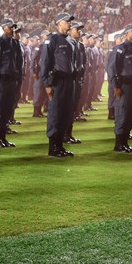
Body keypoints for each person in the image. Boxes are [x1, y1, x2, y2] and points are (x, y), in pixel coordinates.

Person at [41, 12, 77, 158]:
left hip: (69, 81)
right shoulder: (52, 40)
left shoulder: (71, 40)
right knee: (56, 113)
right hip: (57, 81)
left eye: (69, 21)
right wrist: (47, 84)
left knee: (66, 114)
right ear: (59, 23)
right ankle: (53, 147)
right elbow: (45, 63)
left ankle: (60, 145)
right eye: (67, 21)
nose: (69, 23)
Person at [0, 18, 22, 148]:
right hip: (1, 80)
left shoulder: (15, 43)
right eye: (10, 27)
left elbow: (19, 63)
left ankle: (3, 138)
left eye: (13, 27)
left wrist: (18, 79)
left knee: (8, 109)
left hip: (11, 79)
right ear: (3, 28)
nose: (12, 29)